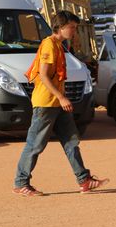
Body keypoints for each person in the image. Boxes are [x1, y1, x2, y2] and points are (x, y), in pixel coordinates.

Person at [13, 11, 108, 196]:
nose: (74, 31)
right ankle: (20, 183)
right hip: (46, 104)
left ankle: (84, 180)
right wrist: (62, 97)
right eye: (72, 27)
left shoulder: (59, 45)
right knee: (35, 145)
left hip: (56, 103)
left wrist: (61, 98)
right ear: (61, 27)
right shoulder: (49, 45)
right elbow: (43, 76)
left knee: (71, 141)